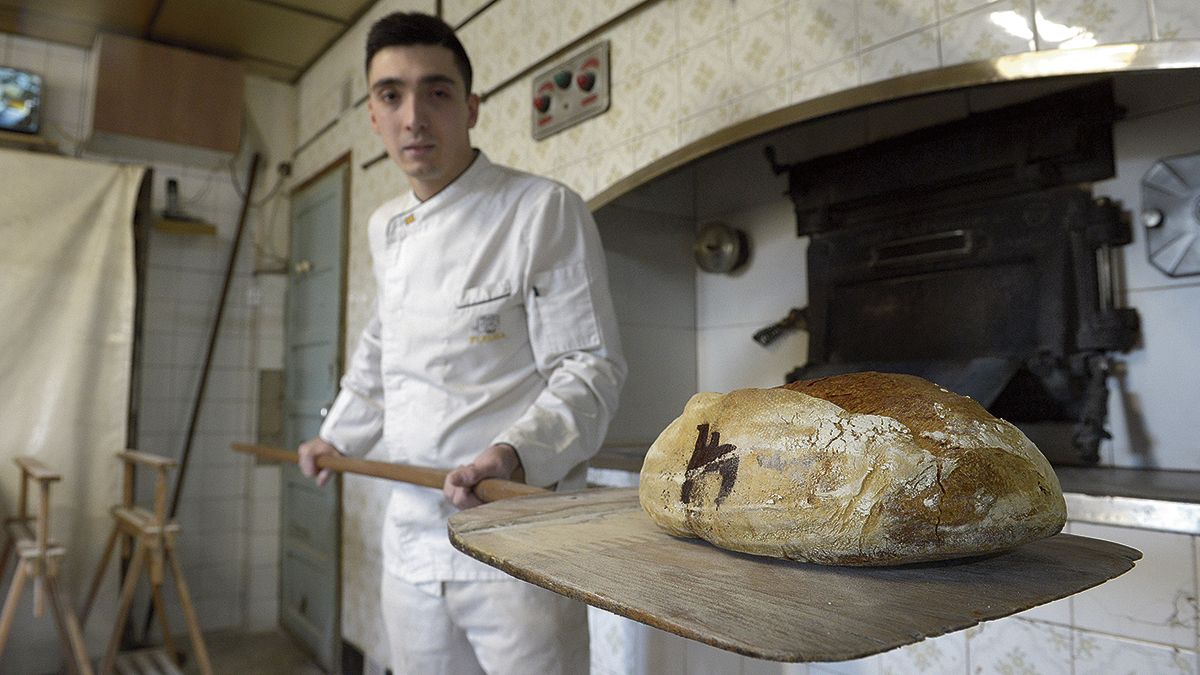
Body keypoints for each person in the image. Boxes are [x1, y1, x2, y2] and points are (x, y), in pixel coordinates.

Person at [296, 11, 625, 675]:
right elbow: (384, 346)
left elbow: (589, 369)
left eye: (437, 92)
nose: (414, 116)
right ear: (372, 114)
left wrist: (511, 454)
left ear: (472, 108)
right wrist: (338, 436)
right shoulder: (386, 224)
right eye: (391, 95)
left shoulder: (540, 210)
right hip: (412, 542)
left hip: (519, 546)